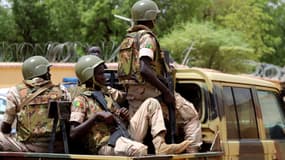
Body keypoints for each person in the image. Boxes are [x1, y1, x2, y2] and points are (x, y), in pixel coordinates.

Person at [117, 0, 191, 155]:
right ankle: (192, 150)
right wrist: (165, 91)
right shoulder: (147, 38)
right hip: (149, 91)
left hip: (133, 94)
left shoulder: (128, 39)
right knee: (190, 115)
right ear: (151, 17)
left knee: (137, 136)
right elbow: (144, 68)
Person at [69, 55, 148, 156]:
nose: (104, 77)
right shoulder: (81, 100)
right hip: (105, 145)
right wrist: (96, 117)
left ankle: (160, 145)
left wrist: (124, 117)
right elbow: (73, 133)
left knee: (151, 103)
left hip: (122, 136)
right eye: (100, 73)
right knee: (139, 150)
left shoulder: (106, 94)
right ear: (89, 76)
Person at [0, 56, 71, 152]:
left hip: (28, 148)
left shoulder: (15, 92)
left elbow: (6, 128)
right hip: (56, 147)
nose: (50, 74)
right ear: (41, 71)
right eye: (48, 71)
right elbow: (68, 123)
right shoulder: (62, 91)